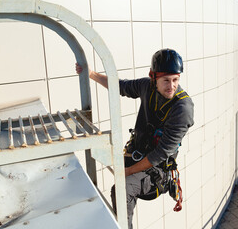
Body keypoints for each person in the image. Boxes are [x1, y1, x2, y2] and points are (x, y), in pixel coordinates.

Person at [76, 48, 194, 229]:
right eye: (166, 81)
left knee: (121, 190)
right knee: (99, 159)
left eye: (175, 80)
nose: (171, 86)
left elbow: (159, 154)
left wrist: (128, 172)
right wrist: (90, 74)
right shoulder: (147, 86)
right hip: (136, 155)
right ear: (153, 77)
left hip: (157, 171)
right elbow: (120, 86)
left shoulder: (182, 109)